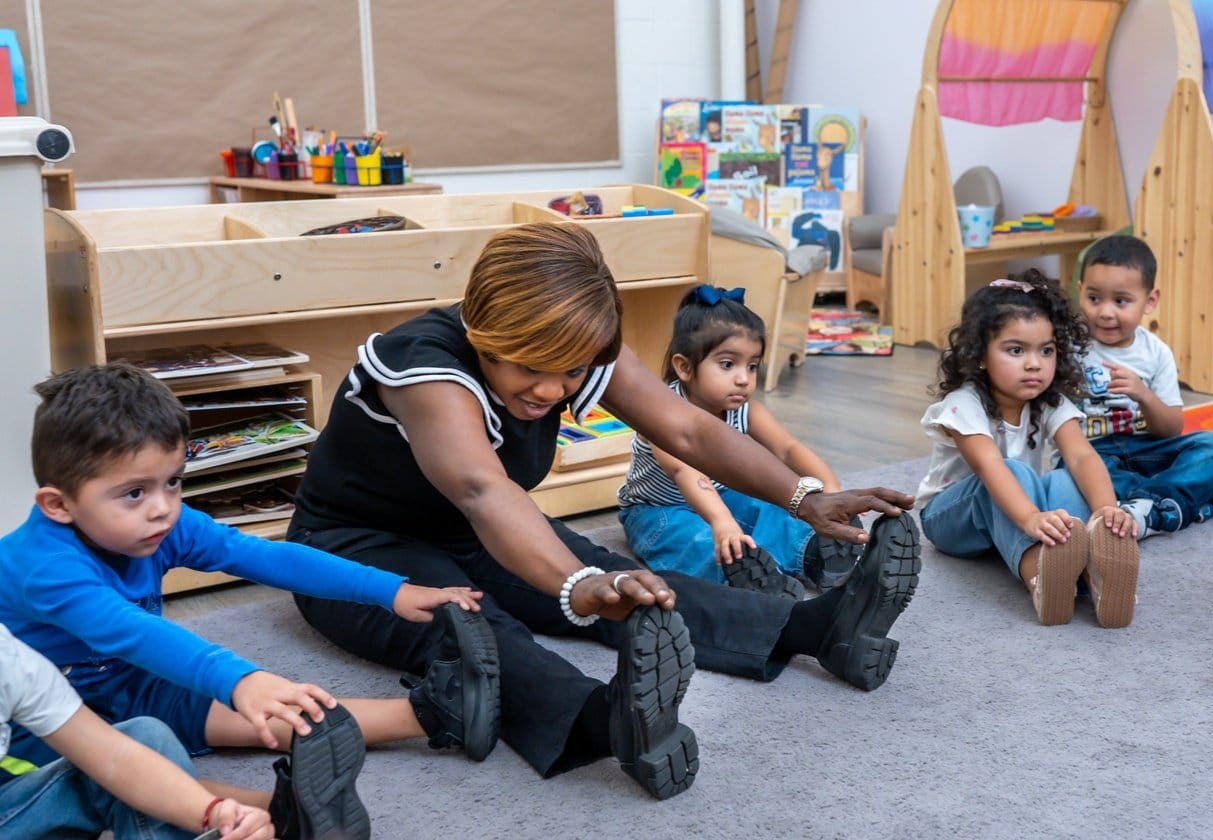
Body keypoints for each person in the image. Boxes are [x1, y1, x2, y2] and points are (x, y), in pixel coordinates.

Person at [286, 222, 921, 800]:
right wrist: (575, 586)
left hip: (466, 532)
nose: (550, 390)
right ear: (484, 331)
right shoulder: (419, 363)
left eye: (569, 373)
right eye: (531, 370)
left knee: (630, 583)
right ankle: (602, 721)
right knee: (471, 627)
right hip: (349, 549)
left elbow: (689, 430)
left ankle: (812, 628)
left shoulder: (574, 342)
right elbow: (481, 488)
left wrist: (805, 496)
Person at [0, 363, 502, 830]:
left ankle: (434, 714)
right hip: (38, 727)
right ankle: (271, 814)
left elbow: (266, 558)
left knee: (255, 708)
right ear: (58, 505)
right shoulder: (44, 567)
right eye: (135, 493)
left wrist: (389, 591)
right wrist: (240, 677)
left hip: (125, 680)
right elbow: (131, 631)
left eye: (172, 482)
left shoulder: (158, 525)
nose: (162, 509)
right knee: (126, 768)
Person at [915, 272, 1139, 627]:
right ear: (979, 356)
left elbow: (1082, 457)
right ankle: (1040, 574)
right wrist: (1031, 519)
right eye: (1016, 350)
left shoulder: (1049, 403)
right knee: (1013, 470)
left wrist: (1106, 511)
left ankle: (1092, 571)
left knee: (1067, 478)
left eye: (1046, 350)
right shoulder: (963, 405)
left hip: (1019, 508)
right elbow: (990, 467)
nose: (1034, 363)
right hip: (952, 520)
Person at [617, 284, 858, 597]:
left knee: (769, 507)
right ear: (685, 367)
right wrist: (722, 522)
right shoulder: (661, 412)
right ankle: (739, 581)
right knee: (697, 540)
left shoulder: (745, 409)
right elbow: (685, 472)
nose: (744, 378)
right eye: (728, 364)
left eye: (752, 365)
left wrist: (831, 492)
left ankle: (816, 554)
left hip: (723, 495)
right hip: (656, 511)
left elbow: (788, 448)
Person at [0, 621, 275, 839]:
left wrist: (215, 813)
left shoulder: (10, 658)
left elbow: (111, 755)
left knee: (146, 739)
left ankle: (278, 805)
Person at [1075, 235, 1213, 537]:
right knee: (1067, 476)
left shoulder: (1156, 352)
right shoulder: (1069, 347)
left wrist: (1143, 395)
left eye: (1121, 301)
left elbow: (1170, 429)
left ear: (1150, 301)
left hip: (1148, 450)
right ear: (1080, 291)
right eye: (1094, 298)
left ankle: (1149, 506)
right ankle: (1206, 501)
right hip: (1089, 454)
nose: (1106, 312)